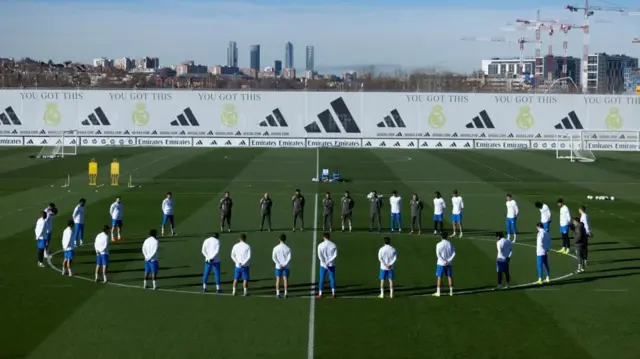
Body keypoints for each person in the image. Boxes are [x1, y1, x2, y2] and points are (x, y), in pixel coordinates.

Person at [433, 232, 455, 297]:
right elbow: (454, 253)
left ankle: (438, 292)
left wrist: (443, 261)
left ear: (441, 237)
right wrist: (448, 260)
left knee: (439, 277)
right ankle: (451, 292)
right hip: (448, 264)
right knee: (449, 277)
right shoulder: (450, 244)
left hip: (440, 264)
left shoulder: (438, 244)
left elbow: (438, 254)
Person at [317, 232, 337, 298]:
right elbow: (335, 255)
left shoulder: (320, 245)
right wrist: (329, 262)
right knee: (332, 278)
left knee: (322, 279)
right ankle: (333, 293)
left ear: (324, 237)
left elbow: (320, 256)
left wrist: (325, 263)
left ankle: (320, 293)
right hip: (331, 265)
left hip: (323, 265)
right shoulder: (333, 245)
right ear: (329, 237)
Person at [272, 234, 292, 298]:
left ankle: (278, 293)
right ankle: (286, 293)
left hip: (278, 267)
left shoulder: (275, 248)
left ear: (279, 239)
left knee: (278, 280)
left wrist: (279, 264)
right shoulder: (288, 248)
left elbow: (273, 257)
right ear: (285, 239)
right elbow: (289, 258)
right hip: (285, 267)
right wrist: (284, 264)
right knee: (285, 279)